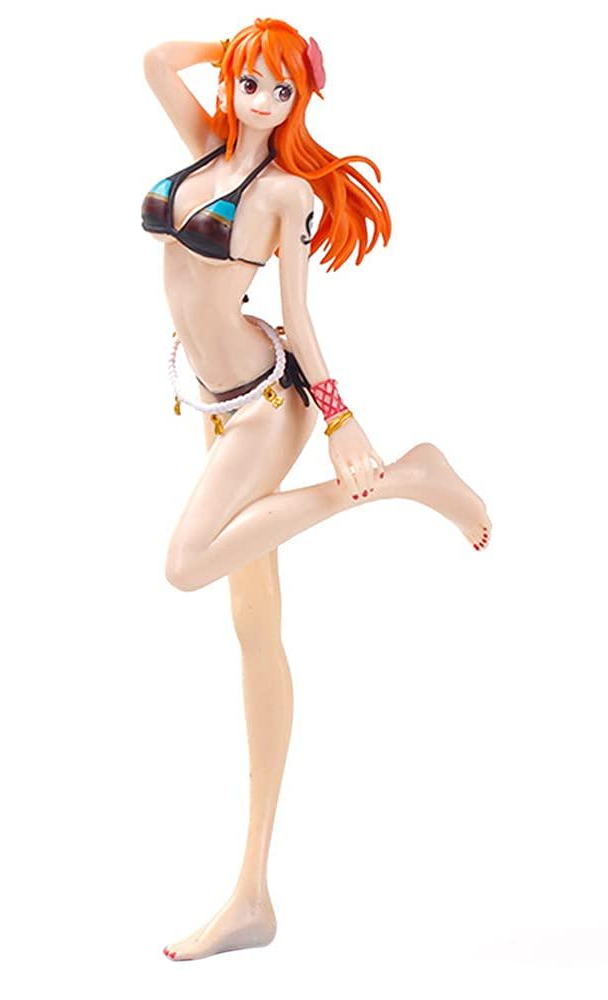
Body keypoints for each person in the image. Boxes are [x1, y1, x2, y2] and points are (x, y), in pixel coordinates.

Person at [142, 18, 491, 961]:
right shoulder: (205, 150)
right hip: (213, 406)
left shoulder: (284, 194)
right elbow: (153, 61)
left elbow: (298, 318)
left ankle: (408, 478)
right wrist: (239, 46)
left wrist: (342, 426)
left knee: (187, 565)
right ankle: (250, 896)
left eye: (283, 89)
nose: (262, 100)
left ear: (301, 102)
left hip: (268, 407)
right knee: (254, 630)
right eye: (250, 82)